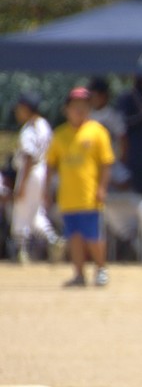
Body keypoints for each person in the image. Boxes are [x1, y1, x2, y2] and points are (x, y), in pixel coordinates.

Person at [45, 87, 115, 287]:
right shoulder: (59, 134)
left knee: (93, 236)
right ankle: (79, 274)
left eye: (84, 106)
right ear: (66, 109)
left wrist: (102, 188)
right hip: (68, 197)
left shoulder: (97, 132)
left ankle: (101, 269)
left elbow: (106, 163)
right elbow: (50, 165)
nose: (79, 111)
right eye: (75, 107)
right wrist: (47, 191)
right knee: (73, 237)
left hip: (89, 196)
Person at [10, 91, 62, 263]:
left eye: (20, 108)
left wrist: (22, 185)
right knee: (36, 212)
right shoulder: (44, 124)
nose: (18, 112)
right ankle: (53, 239)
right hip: (44, 170)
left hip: (30, 172)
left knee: (21, 210)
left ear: (26, 108)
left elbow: (28, 158)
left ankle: (21, 252)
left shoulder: (29, 129)